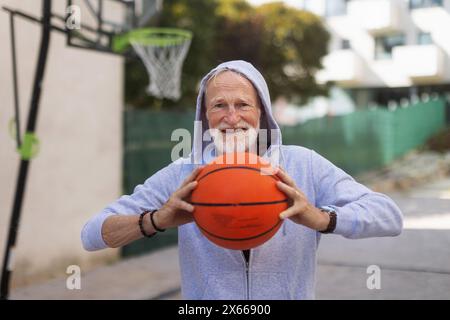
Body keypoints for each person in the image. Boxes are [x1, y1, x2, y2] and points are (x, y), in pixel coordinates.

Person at [82, 60, 403, 299]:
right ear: (204, 116)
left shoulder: (302, 165)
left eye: (242, 105)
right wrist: (155, 220)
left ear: (262, 111)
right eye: (219, 105)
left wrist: (321, 218)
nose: (231, 118)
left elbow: (388, 216)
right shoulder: (184, 173)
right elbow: (92, 234)